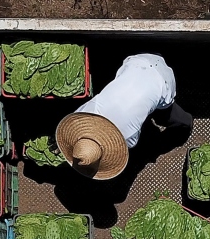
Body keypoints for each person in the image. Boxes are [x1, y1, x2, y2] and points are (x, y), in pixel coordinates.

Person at [55, 54, 192, 180]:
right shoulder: (87, 112)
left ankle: (187, 124)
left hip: (162, 81)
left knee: (175, 119)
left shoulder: (128, 137)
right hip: (137, 63)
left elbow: (131, 142)